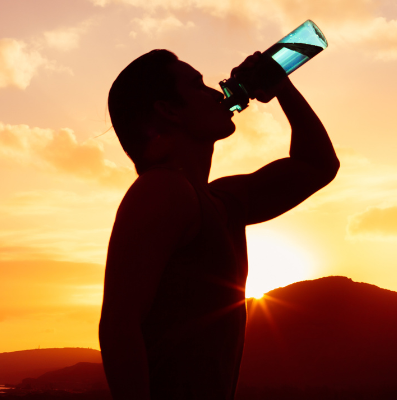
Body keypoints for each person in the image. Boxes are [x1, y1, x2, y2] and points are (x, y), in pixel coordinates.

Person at [98, 49, 339, 400]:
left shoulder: (221, 201)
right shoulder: (161, 190)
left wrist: (281, 86)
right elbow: (120, 326)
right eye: (197, 86)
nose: (215, 92)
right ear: (168, 110)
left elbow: (317, 165)